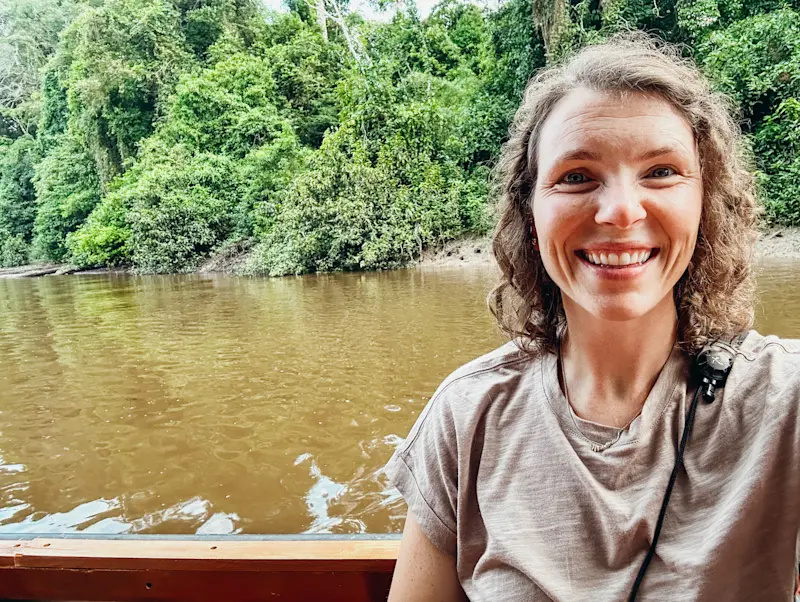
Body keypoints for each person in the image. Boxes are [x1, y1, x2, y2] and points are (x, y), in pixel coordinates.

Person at [383, 33, 800, 601]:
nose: (622, 210)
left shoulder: (785, 403)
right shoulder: (467, 418)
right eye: (577, 176)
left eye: (661, 171)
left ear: (706, 203)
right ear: (531, 215)